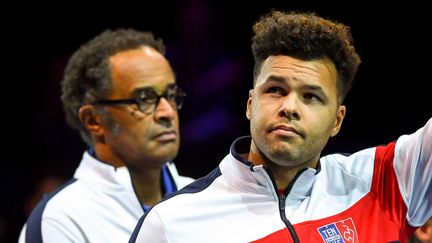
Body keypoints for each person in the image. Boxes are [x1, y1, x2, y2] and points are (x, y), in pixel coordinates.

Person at [129, 10, 431, 243]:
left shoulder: (387, 180)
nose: (289, 107)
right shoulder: (172, 224)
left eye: (311, 97)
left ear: (337, 120)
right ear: (250, 104)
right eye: (275, 90)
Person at [18, 28, 194, 242]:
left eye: (171, 95)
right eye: (143, 99)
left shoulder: (208, 200)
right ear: (93, 120)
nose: (167, 112)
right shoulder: (60, 220)